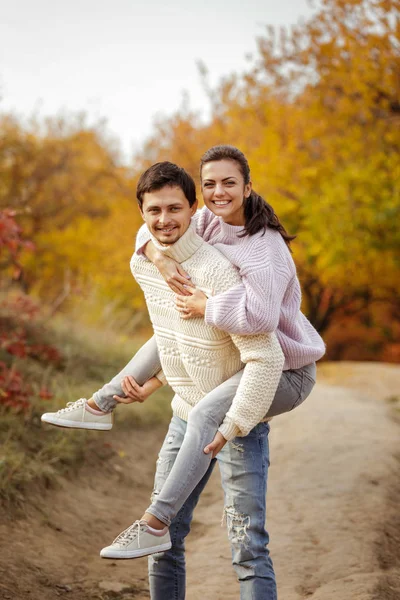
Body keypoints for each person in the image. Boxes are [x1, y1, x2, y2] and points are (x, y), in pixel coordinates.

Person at [42, 147, 325, 599]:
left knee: (246, 543)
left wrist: (205, 305)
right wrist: (159, 258)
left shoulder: (262, 249)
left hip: (279, 369)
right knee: (174, 335)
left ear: (248, 187)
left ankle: (155, 519)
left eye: (229, 183)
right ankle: (103, 403)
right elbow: (156, 226)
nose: (218, 192)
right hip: (220, 375)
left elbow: (260, 326)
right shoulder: (208, 223)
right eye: (209, 183)